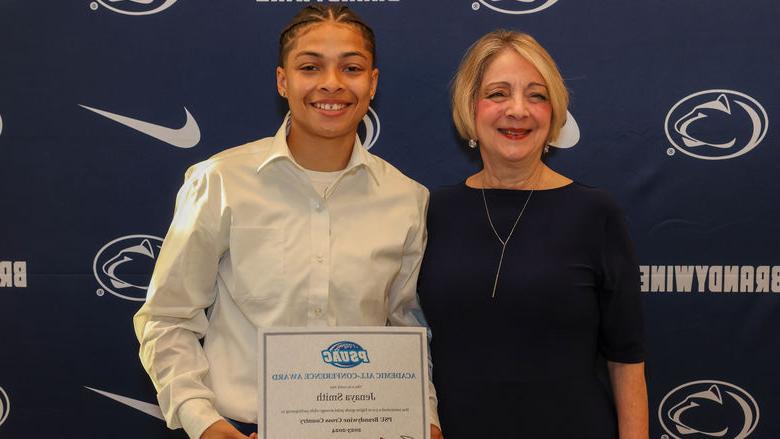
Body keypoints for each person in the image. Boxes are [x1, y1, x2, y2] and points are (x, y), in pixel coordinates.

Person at [133, 6, 442, 439]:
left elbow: (406, 327)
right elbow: (167, 318)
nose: (331, 83)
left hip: (370, 429)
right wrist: (203, 422)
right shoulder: (221, 181)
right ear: (283, 81)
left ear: (372, 83)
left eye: (351, 68)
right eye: (310, 67)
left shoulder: (407, 198)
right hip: (242, 429)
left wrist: (423, 415)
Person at [417, 30, 648, 438]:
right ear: (470, 109)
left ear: (554, 112)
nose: (518, 110)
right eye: (498, 93)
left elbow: (626, 362)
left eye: (537, 95)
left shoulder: (596, 214)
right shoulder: (431, 211)